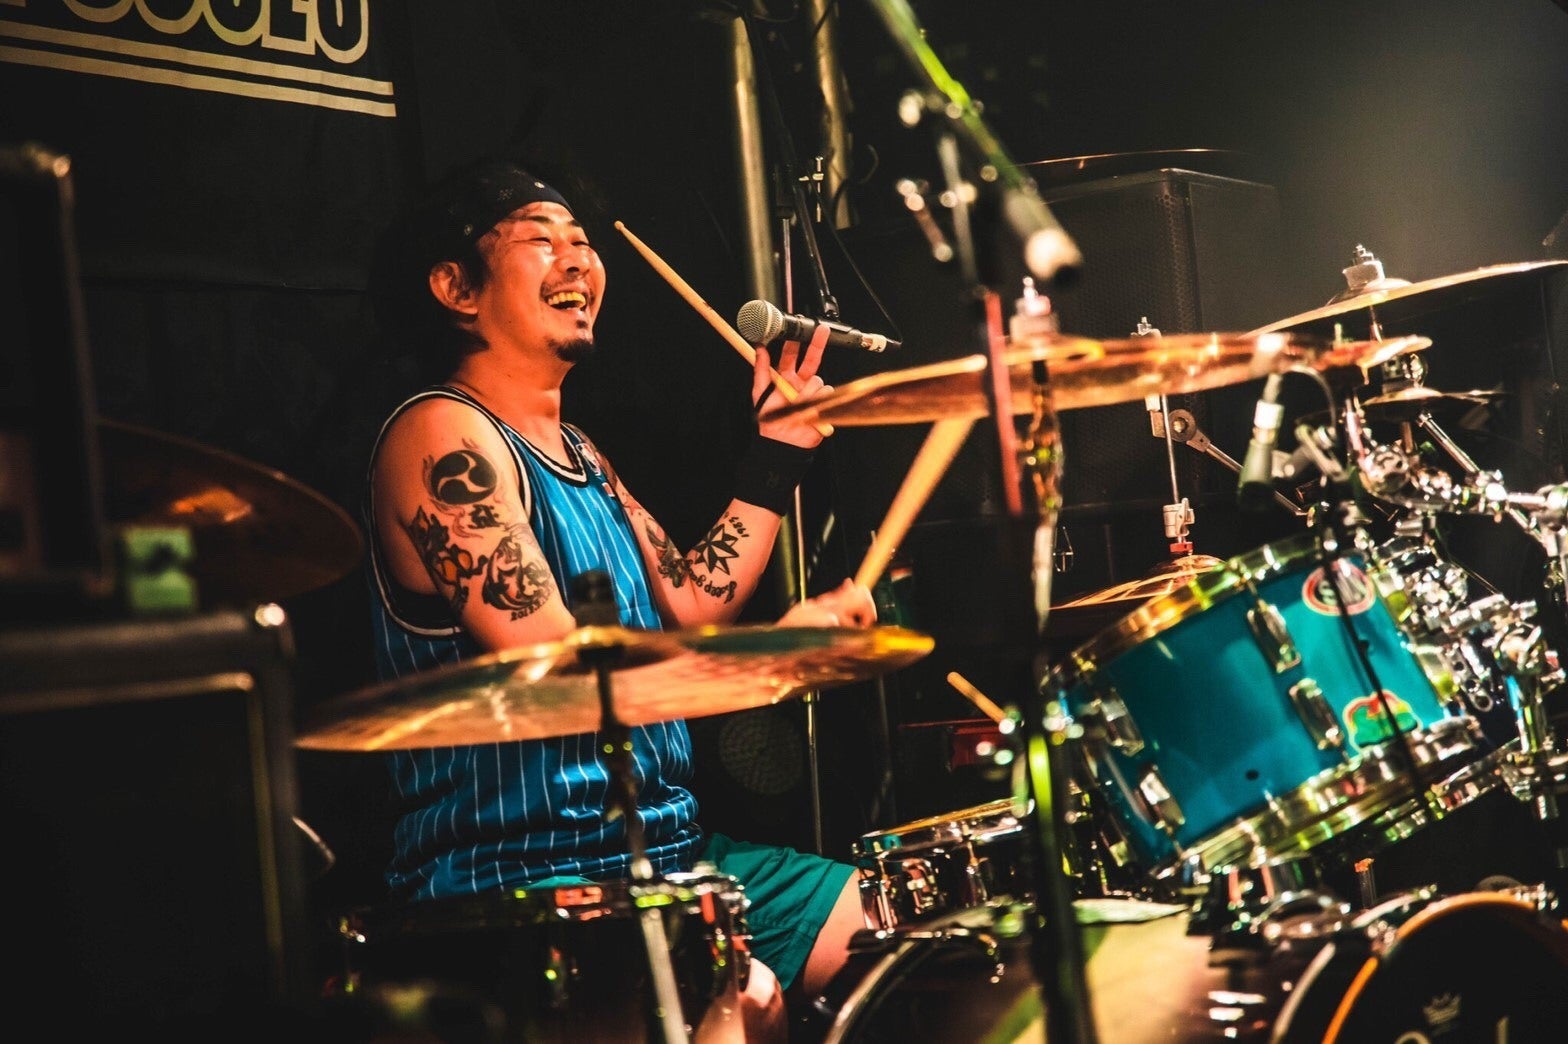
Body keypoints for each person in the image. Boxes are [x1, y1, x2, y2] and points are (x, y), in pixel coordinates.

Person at [361, 155, 877, 1036]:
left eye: (583, 242)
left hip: (669, 860)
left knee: (899, 931)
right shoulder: (442, 436)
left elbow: (695, 600)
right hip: (524, 881)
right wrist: (773, 660)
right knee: (745, 1001)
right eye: (540, 240)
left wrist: (776, 455)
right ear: (456, 287)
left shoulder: (581, 454)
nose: (578, 260)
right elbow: (568, 672)